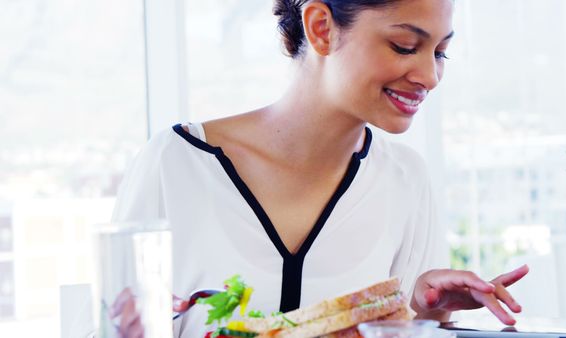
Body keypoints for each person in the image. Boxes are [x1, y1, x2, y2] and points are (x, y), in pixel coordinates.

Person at [111, 0, 529, 337]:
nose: (430, 76)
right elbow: (111, 326)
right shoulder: (177, 163)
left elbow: (401, 331)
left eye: (440, 52)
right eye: (404, 46)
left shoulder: (406, 181)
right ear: (321, 28)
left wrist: (426, 313)